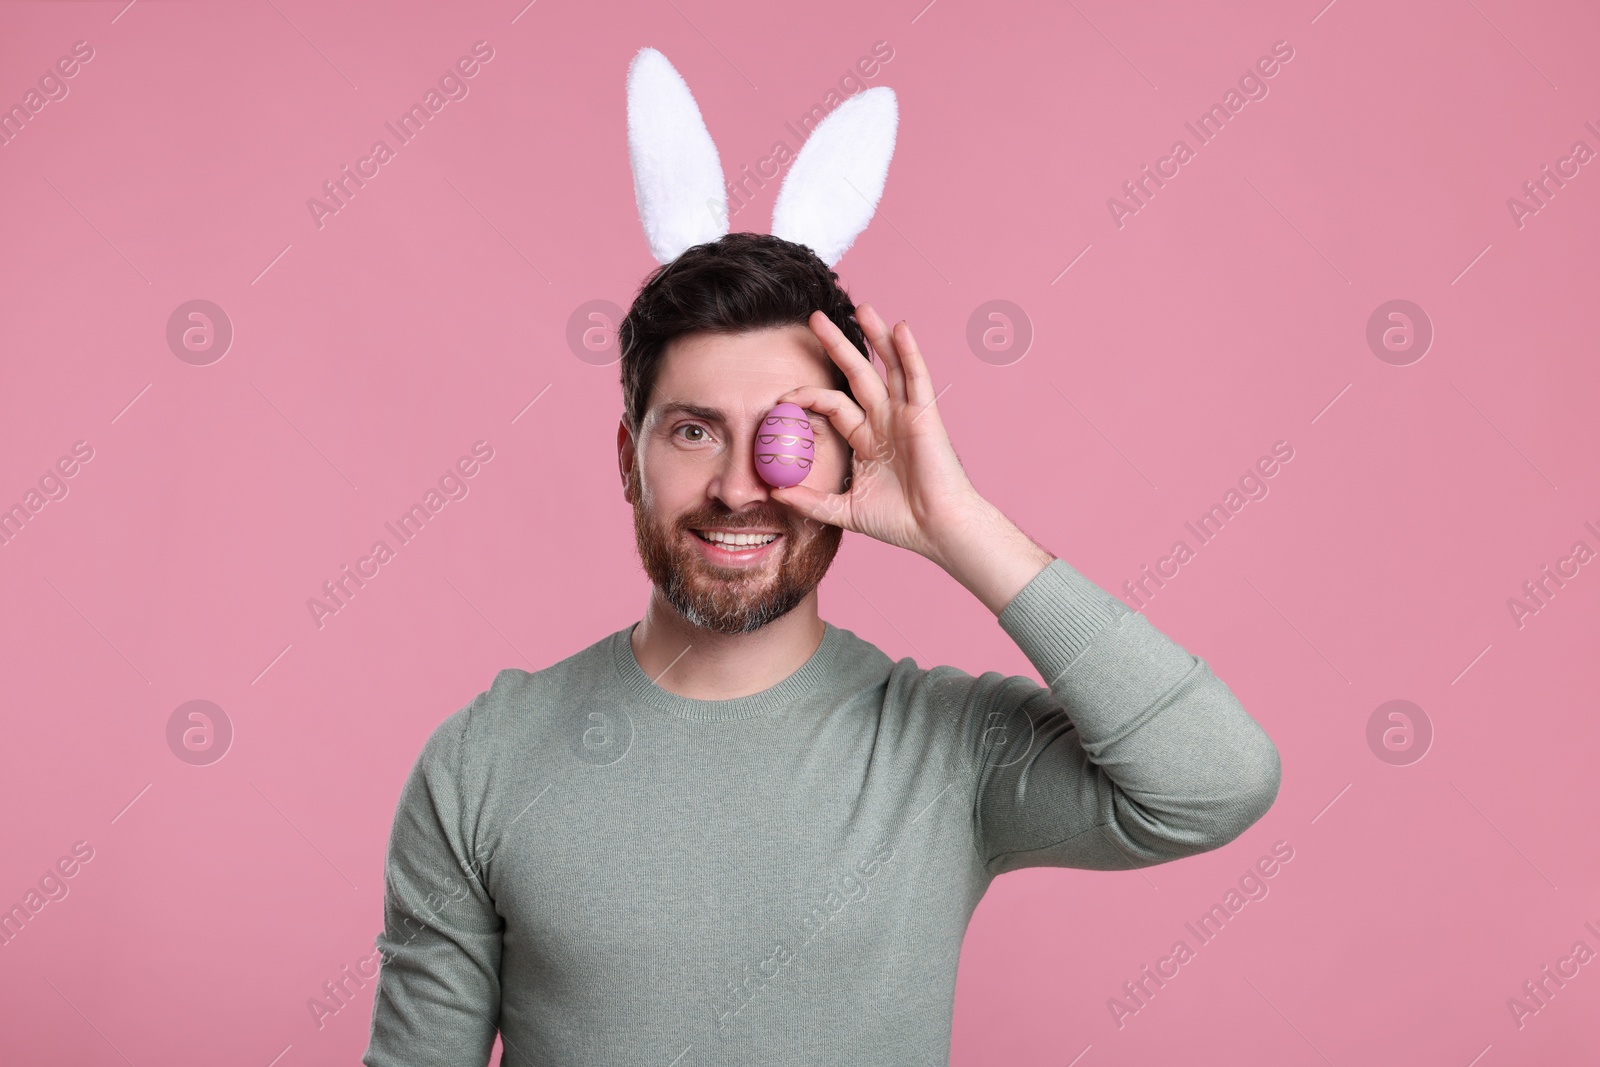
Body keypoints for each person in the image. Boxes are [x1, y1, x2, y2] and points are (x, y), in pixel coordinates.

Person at [361, 232, 1282, 1066]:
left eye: (785, 434)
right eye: (693, 431)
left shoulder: (944, 749)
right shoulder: (481, 761)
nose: (736, 488)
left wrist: (957, 523)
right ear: (626, 458)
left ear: (846, 459)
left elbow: (1215, 782)